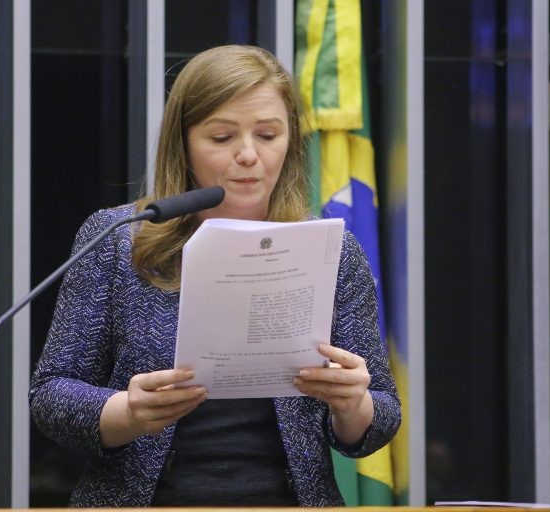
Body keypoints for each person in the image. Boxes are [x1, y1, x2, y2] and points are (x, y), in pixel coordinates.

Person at [29, 44, 400, 507]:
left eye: (267, 135)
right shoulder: (119, 237)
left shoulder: (332, 248)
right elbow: (51, 394)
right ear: (182, 142)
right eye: (222, 138)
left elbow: (381, 414)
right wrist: (127, 412)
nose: (248, 155)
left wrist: (352, 403)